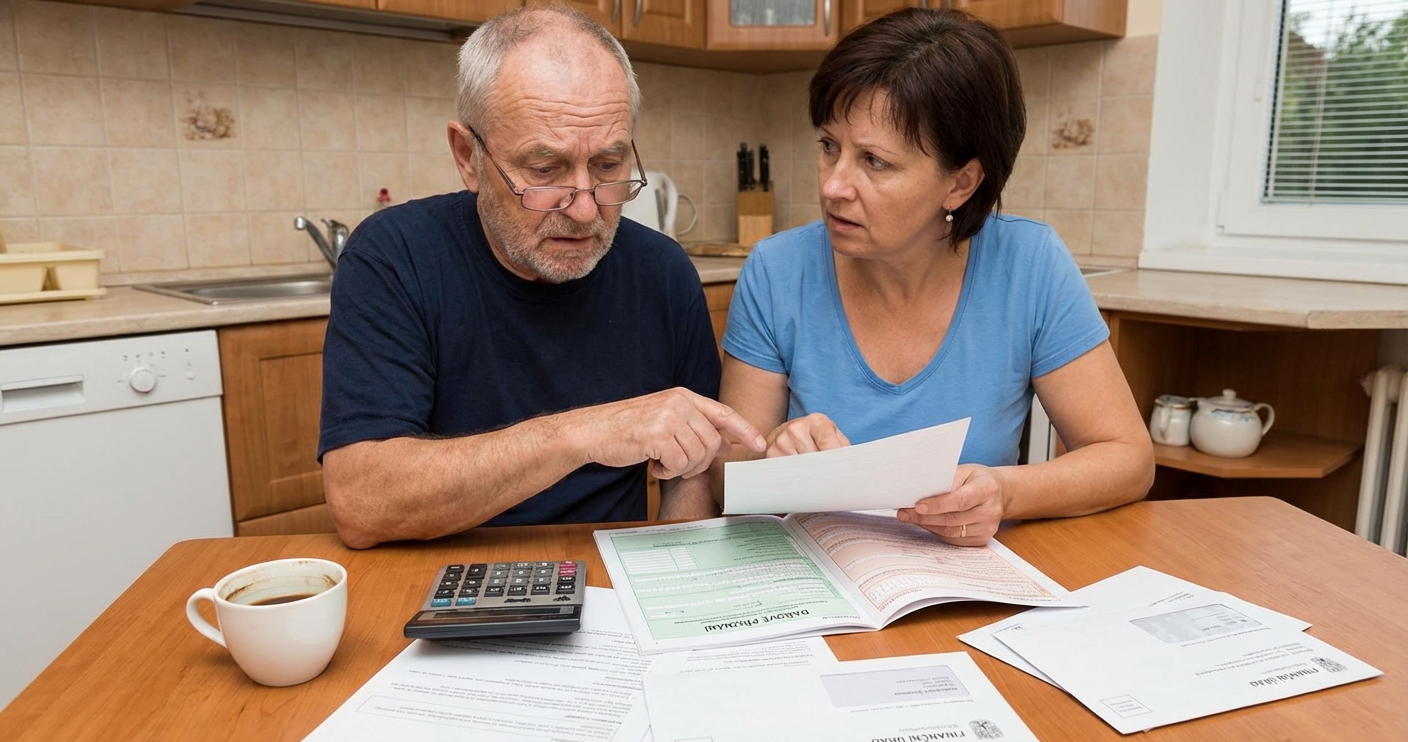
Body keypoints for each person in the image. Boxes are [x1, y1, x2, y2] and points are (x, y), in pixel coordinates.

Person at [318, 4, 765, 549]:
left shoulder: (663, 272)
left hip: (605, 572)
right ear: (467, 157)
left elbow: (693, 470)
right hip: (436, 583)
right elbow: (363, 503)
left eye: (607, 165)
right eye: (546, 170)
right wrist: (584, 433)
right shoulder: (393, 257)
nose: (584, 210)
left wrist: (672, 573)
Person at [713, 8, 1154, 545]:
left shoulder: (1029, 264)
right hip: (816, 574)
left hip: (967, 583)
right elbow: (724, 477)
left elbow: (1128, 460)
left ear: (961, 183)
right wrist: (775, 452)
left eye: (874, 161)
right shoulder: (777, 270)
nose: (833, 186)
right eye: (830, 147)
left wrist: (1006, 492)